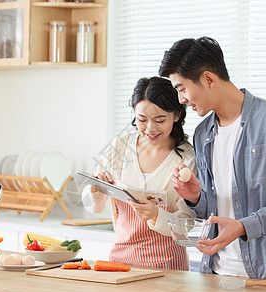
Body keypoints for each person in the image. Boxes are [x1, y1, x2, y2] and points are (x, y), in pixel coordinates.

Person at [159, 36, 266, 282]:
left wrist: (243, 226)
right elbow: (217, 211)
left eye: (182, 89)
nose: (181, 100)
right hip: (217, 271)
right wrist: (195, 197)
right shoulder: (202, 134)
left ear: (208, 79)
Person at [82, 76, 196, 270]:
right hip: (120, 261)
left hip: (167, 267)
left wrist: (156, 214)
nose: (150, 128)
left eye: (160, 120)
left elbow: (187, 223)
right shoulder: (119, 147)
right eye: (142, 120)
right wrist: (95, 189)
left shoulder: (187, 158)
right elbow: (93, 205)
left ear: (177, 115)